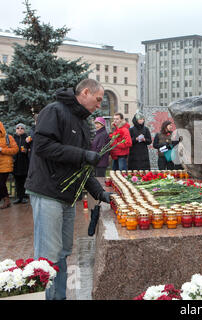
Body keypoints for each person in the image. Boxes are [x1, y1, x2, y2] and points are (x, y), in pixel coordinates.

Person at [25, 79, 113, 300]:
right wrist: (83, 155)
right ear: (85, 92)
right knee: (48, 256)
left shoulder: (83, 123)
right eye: (98, 99)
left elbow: (81, 168)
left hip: (67, 196)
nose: (99, 105)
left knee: (63, 253)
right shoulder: (54, 111)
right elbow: (42, 146)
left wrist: (99, 193)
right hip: (48, 192)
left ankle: (60, 297)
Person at [0, 121, 19, 209]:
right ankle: (5, 200)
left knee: (1, 183)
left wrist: (2, 150)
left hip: (5, 165)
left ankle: (6, 200)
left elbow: (15, 150)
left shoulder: (8, 137)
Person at [13, 123, 31, 204]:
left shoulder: (27, 138)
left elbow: (31, 148)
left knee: (24, 180)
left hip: (24, 162)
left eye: (22, 128)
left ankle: (23, 196)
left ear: (24, 130)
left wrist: (26, 150)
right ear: (16, 129)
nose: (20, 129)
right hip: (15, 162)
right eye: (18, 128)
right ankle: (18, 197)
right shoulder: (13, 138)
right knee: (17, 180)